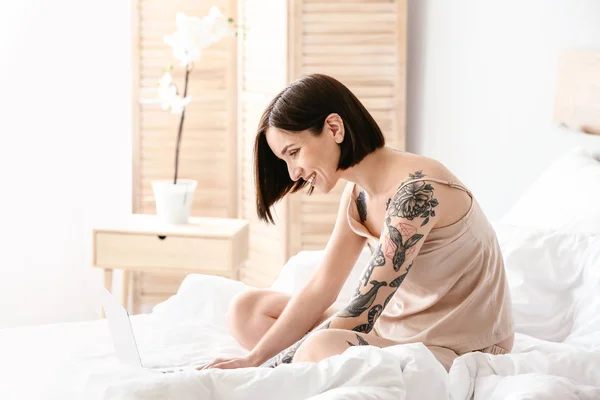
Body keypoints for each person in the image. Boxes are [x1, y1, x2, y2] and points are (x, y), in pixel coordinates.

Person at [198, 73, 514, 372]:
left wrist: (267, 368)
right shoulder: (358, 195)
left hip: (460, 345)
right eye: (285, 160)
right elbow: (322, 286)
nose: (293, 172)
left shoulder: (417, 193)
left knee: (321, 346)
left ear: (334, 128)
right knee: (246, 311)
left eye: (294, 152)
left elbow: (363, 312)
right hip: (396, 326)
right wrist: (253, 358)